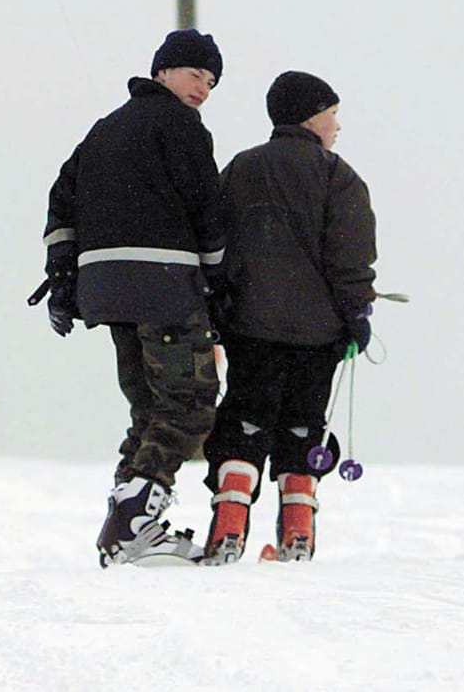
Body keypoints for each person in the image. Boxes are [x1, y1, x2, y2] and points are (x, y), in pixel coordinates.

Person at [41, 29, 227, 566]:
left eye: (212, 83)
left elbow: (61, 204)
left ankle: (125, 524)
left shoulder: (102, 131)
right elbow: (206, 209)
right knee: (189, 403)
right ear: (163, 71)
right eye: (196, 74)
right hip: (164, 285)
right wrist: (217, 279)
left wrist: (64, 279)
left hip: (106, 291)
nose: (204, 90)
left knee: (148, 408)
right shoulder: (181, 127)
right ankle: (134, 523)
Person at [201, 70, 377, 565]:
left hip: (249, 327)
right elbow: (351, 256)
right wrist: (356, 314)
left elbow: (215, 244)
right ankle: (298, 530)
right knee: (303, 424)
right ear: (310, 116)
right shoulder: (338, 176)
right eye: (332, 114)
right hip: (319, 334)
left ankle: (229, 524)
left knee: (244, 422)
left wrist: (220, 306)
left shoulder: (240, 169)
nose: (337, 126)